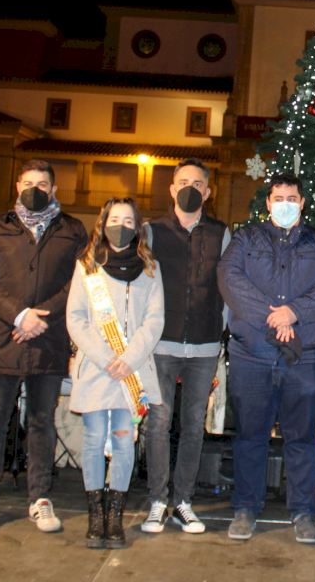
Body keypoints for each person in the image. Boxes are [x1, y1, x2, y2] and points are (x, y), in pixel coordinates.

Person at [217, 174, 315, 544]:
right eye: (278, 198)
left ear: (302, 202)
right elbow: (229, 277)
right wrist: (273, 317)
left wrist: (295, 312)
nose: (285, 204)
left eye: (292, 198)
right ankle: (246, 507)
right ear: (268, 203)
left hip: (305, 355)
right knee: (250, 435)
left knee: (302, 437)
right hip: (252, 353)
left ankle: (303, 511)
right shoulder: (246, 238)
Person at [0, 159, 88, 535]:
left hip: (48, 340)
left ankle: (40, 497)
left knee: (42, 421)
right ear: (17, 185)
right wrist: (19, 316)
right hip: (4, 338)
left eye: (42, 184)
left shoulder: (72, 229)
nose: (34, 189)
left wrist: (42, 317)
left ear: (54, 190)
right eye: (28, 183)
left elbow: (80, 281)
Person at [66, 198, 165, 550]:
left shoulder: (150, 268)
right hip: (98, 368)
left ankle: (115, 516)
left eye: (128, 220)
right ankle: (96, 516)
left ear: (137, 227)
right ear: (103, 222)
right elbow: (76, 318)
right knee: (94, 440)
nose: (120, 226)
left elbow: (154, 320)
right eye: (114, 219)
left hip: (131, 372)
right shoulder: (87, 266)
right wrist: (106, 357)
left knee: (124, 440)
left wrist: (130, 358)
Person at [140, 158, 230, 535]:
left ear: (208, 192)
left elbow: (227, 287)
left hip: (204, 346)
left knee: (193, 424)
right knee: (158, 422)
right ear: (172, 189)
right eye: (183, 182)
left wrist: (220, 330)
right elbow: (141, 284)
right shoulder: (152, 231)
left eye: (197, 183)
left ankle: (183, 501)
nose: (190, 188)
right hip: (161, 344)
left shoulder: (221, 234)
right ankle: (157, 500)